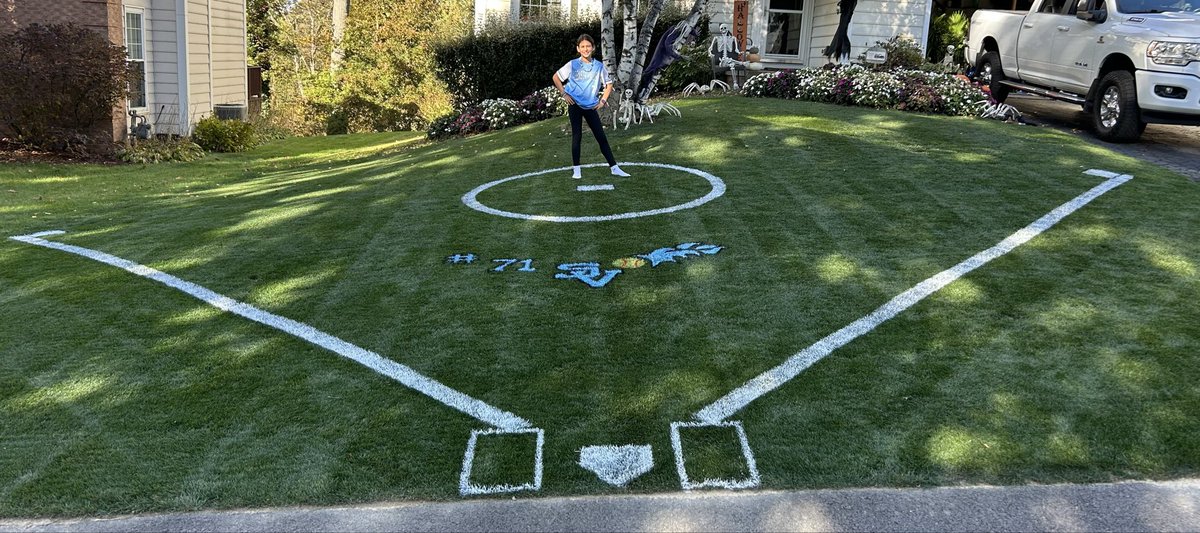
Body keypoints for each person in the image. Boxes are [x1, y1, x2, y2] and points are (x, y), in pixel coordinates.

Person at [552, 34, 630, 179]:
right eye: (582, 47)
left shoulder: (599, 66)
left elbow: (609, 84)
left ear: (593, 48)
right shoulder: (572, 64)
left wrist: (603, 100)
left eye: (588, 46)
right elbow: (556, 77)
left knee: (601, 136)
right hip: (574, 104)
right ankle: (576, 169)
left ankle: (614, 167)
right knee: (577, 136)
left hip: (591, 107)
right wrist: (564, 93)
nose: (585, 49)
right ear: (578, 49)